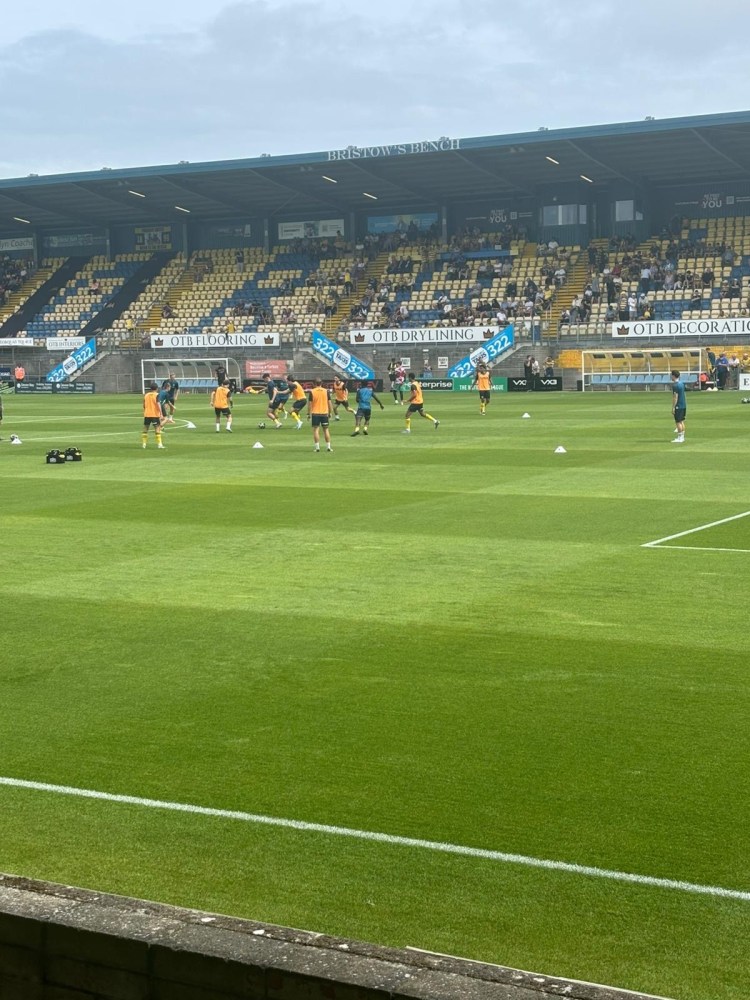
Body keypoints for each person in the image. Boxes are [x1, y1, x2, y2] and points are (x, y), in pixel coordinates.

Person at [308, 378, 333, 452]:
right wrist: (330, 412)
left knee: (316, 430)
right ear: (321, 383)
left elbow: (309, 404)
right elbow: (329, 403)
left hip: (315, 413)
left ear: (314, 384)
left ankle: (317, 448)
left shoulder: (312, 391)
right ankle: (328, 447)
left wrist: (308, 414)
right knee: (326, 430)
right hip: (324, 413)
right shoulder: (326, 391)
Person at [142, 381, 166, 449]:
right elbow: (158, 404)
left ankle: (144, 444)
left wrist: (146, 410)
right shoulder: (157, 395)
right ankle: (159, 444)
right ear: (157, 388)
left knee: (145, 428)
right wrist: (161, 414)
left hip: (147, 414)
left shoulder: (146, 395)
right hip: (154, 414)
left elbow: (144, 405)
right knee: (157, 429)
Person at [670, 370, 686, 444]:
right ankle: (682, 437)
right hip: (683, 405)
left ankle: (680, 438)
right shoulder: (681, 383)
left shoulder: (675, 386)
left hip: (678, 406)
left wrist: (673, 407)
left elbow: (675, 397)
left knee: (678, 422)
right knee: (681, 421)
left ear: (673, 376)